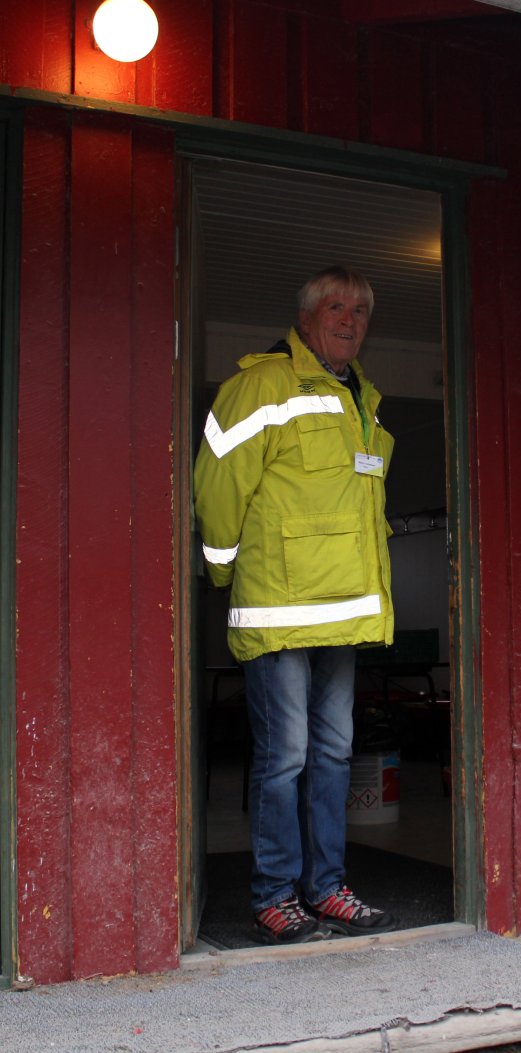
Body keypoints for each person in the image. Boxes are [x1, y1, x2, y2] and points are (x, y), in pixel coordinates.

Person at [193, 266, 397, 945]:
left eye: (361, 310)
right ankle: (275, 894)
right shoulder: (259, 385)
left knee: (335, 751)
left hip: (340, 608)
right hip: (279, 608)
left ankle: (327, 887)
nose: (350, 320)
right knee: (287, 754)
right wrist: (224, 571)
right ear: (307, 318)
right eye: (337, 307)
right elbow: (219, 488)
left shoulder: (361, 397)